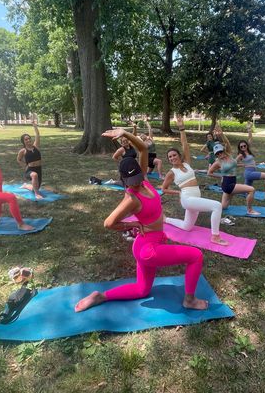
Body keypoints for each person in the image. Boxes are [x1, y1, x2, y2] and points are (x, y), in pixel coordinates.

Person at [75, 127, 208, 312]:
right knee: (196, 256)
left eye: (138, 178)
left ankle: (101, 296)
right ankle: (190, 300)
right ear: (123, 180)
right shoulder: (131, 198)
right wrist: (132, 224)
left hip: (149, 243)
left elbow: (143, 149)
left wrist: (125, 133)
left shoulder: (143, 179)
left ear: (141, 171)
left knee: (142, 290)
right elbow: (108, 223)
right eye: (131, 182)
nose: (136, 184)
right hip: (148, 250)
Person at [161, 117, 228, 246]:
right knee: (217, 206)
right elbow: (164, 189)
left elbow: (185, 145)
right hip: (187, 199)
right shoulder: (171, 172)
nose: (172, 158)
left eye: (174, 155)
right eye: (170, 157)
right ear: (168, 160)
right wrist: (178, 193)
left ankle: (166, 219)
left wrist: (182, 129)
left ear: (179, 155)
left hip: (195, 197)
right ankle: (215, 236)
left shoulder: (186, 163)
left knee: (187, 226)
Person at [208, 140, 260, 215]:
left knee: (223, 206)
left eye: (220, 152)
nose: (219, 154)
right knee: (251, 190)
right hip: (228, 185)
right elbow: (209, 173)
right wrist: (221, 176)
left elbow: (228, 143)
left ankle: (207, 206)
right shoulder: (218, 162)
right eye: (217, 154)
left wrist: (243, 165)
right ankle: (250, 210)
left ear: (223, 150)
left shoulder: (229, 156)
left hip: (231, 182)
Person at [237, 122, 265, 199]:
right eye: (241, 147)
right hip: (249, 173)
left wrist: (249, 129)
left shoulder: (248, 151)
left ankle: (234, 190)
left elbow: (250, 138)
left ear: (246, 146)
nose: (243, 147)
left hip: (251, 172)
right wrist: (243, 165)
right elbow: (233, 164)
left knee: (245, 191)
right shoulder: (241, 155)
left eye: (244, 145)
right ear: (240, 148)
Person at [17, 120, 43, 200]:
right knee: (34, 175)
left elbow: (37, 135)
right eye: (26, 139)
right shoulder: (23, 151)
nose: (28, 140)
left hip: (39, 169)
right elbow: (18, 159)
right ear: (23, 141)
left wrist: (34, 126)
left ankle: (26, 186)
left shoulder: (36, 146)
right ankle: (37, 194)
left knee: (34, 187)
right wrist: (25, 166)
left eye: (29, 138)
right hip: (30, 171)